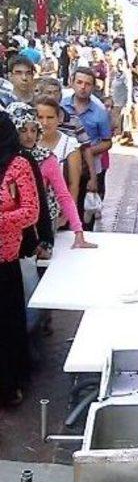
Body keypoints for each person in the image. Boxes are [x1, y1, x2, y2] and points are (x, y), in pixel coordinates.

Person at [7, 102, 94, 250]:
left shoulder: (46, 158)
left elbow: (63, 195)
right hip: (8, 225)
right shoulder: (5, 159)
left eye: (33, 130)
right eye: (22, 130)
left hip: (40, 226)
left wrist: (78, 232)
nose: (29, 136)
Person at [0, 112, 41, 406]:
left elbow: (31, 212)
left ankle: (9, 386)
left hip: (4, 261)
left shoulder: (18, 165)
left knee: (7, 326)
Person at [61, 67, 112, 227]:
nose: (83, 87)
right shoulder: (61, 106)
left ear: (94, 87)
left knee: (85, 215)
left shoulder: (100, 112)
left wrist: (83, 151)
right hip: (64, 169)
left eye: (88, 84)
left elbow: (107, 141)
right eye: (79, 82)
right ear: (72, 82)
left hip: (90, 169)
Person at [35, 76, 99, 191]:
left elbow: (86, 147)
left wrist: (93, 177)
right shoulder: (33, 119)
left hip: (67, 176)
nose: (53, 96)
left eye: (56, 92)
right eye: (49, 92)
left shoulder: (73, 120)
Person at [35, 97, 82, 206]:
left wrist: (69, 215)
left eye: (50, 117)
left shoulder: (69, 144)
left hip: (59, 210)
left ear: (58, 118)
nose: (45, 122)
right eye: (40, 117)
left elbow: (73, 184)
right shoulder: (27, 143)